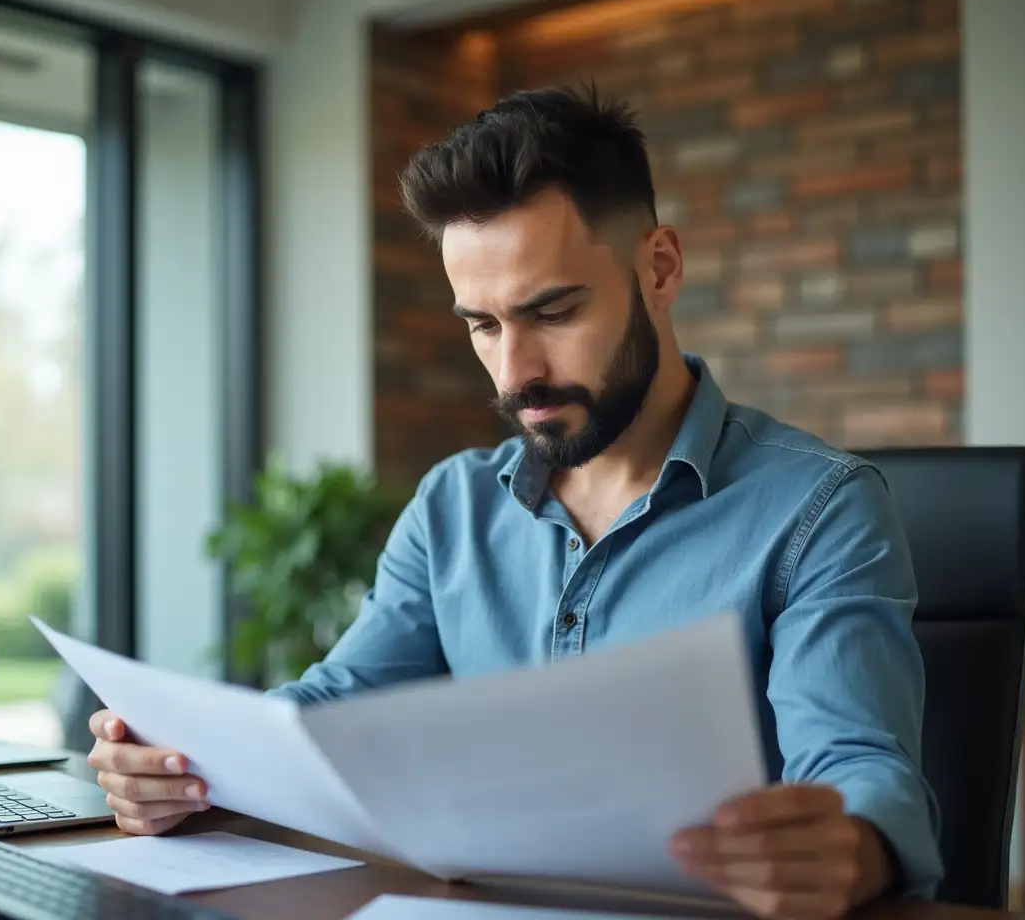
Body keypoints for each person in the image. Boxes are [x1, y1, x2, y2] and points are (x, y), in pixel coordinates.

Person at [85, 85, 944, 919]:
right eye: (483, 325)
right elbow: (338, 699)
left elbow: (856, 765)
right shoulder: (452, 505)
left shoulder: (821, 508)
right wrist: (185, 765)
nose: (515, 373)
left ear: (660, 267)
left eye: (554, 311)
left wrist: (854, 844)